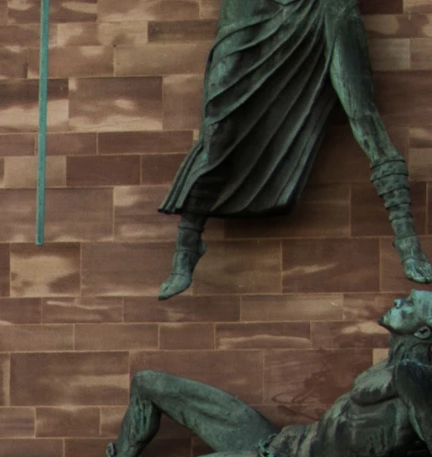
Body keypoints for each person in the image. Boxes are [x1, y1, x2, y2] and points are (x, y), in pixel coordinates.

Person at [41, 293, 432, 457]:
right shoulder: (393, 367)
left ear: (425, 331)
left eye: (411, 304)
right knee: (148, 384)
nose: (400, 301)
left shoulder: (413, 376)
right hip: (280, 445)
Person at [156, 0, 432, 298]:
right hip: (250, 9)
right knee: (219, 125)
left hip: (325, 6)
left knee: (362, 112)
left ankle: (406, 238)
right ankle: (189, 240)